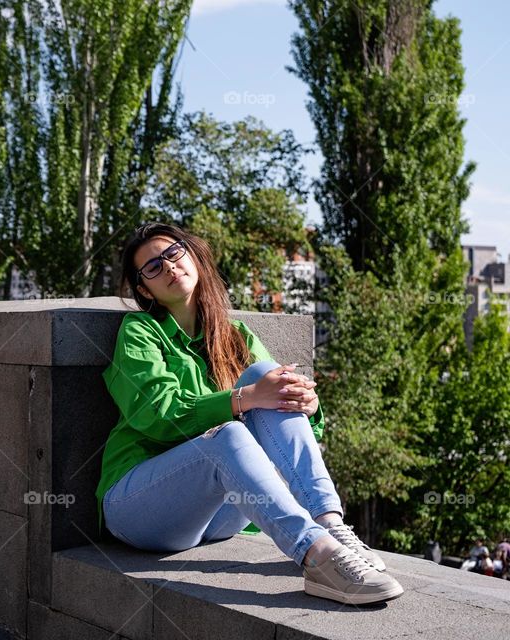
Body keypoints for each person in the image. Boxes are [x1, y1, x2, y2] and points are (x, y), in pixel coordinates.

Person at [97, 223, 404, 605]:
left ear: (192, 256)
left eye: (174, 253)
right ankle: (317, 557)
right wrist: (245, 398)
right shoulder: (140, 331)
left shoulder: (235, 334)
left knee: (266, 376)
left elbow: (280, 413)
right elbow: (160, 415)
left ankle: (329, 524)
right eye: (153, 267)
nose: (169, 266)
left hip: (220, 516)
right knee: (230, 433)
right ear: (145, 289)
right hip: (140, 509)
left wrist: (307, 405)